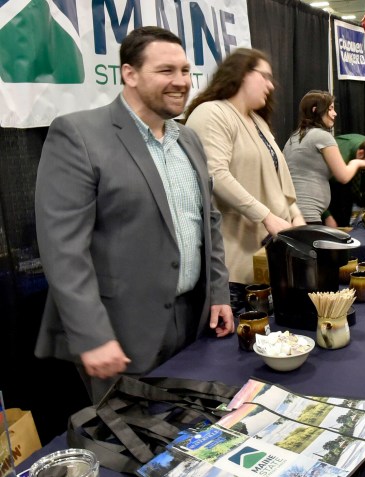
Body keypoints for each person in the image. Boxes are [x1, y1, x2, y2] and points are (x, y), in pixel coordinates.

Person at [34, 27, 235, 404]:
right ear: (129, 74)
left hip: (193, 322)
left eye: (186, 71)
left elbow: (208, 221)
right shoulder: (79, 134)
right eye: (166, 71)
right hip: (120, 334)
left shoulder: (187, 139)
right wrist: (92, 334)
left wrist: (219, 292)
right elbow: (63, 250)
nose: (181, 82)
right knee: (133, 449)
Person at [183, 48, 305, 295]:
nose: (270, 86)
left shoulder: (257, 121)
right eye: (265, 76)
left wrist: (296, 217)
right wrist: (266, 216)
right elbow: (215, 173)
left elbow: (277, 175)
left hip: (269, 259)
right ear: (242, 74)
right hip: (235, 267)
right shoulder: (212, 113)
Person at [284, 90, 365, 224]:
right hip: (308, 216)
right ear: (315, 110)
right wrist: (357, 163)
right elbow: (343, 176)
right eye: (330, 109)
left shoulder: (293, 138)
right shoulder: (322, 137)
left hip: (295, 214)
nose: (335, 114)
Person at [326, 134, 365, 227]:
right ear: (360, 153)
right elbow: (317, 187)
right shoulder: (340, 157)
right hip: (332, 184)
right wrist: (327, 216)